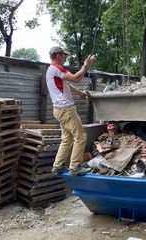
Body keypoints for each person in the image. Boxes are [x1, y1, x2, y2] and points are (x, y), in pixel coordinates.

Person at [46, 46, 96, 176]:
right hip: (66, 109)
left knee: (67, 138)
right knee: (80, 136)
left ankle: (58, 165)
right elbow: (75, 78)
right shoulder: (57, 68)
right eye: (64, 55)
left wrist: (79, 93)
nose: (65, 58)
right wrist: (86, 65)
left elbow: (67, 84)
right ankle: (74, 167)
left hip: (58, 109)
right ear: (58, 56)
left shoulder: (51, 70)